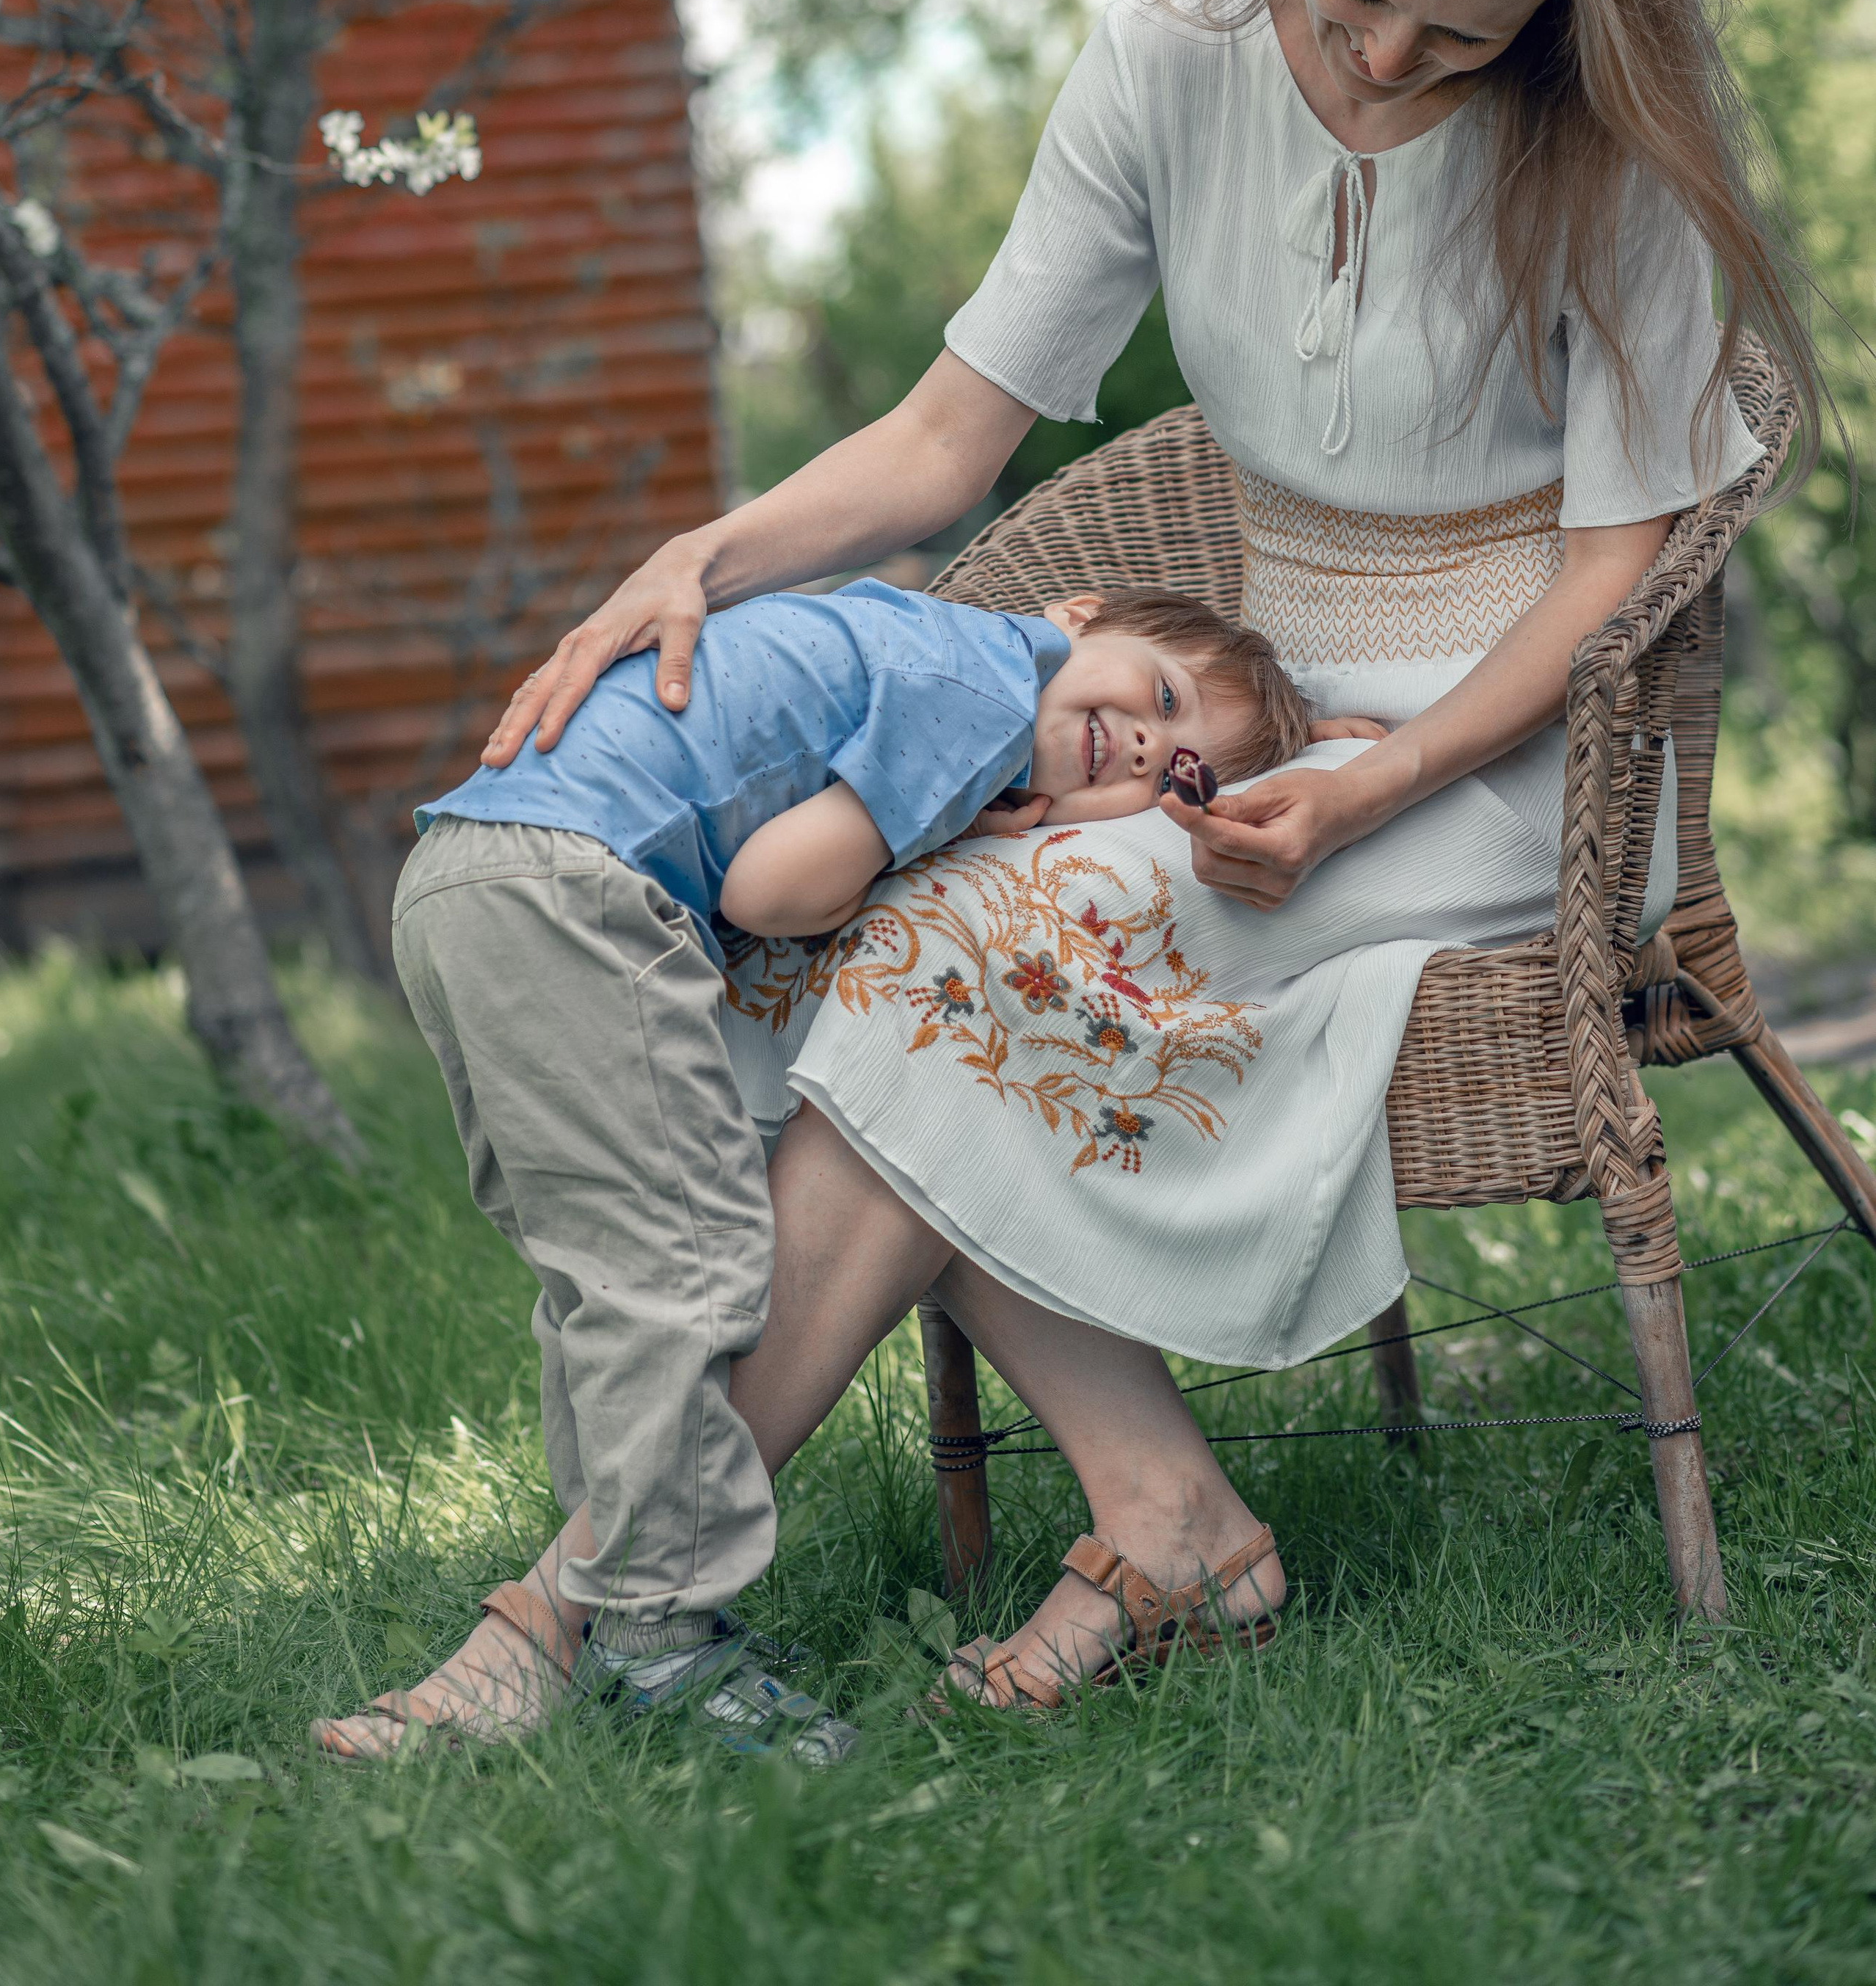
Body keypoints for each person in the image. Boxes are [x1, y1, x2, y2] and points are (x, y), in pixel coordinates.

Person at [327, 0, 1821, 1737]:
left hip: (1513, 757)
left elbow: (1606, 576)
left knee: (949, 935)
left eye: (1459, 35)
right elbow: (953, 437)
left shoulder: (1607, 158)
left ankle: (564, 1627)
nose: (1384, 62)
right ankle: (1160, 1511)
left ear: (1560, 15)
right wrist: (696, 560)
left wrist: (1372, 781)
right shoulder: (1170, 56)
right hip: (1266, 703)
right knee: (885, 933)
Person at [313, 579, 1352, 1758]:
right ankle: (655, 1638)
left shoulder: (911, 643)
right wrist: (952, 826)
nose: (1146, 741)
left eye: (1167, 769)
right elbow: (774, 889)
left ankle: (581, 1606)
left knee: (602, 1282)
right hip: (576, 897)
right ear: (1077, 611)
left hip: (461, 875)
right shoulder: (976, 694)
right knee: (685, 1276)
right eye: (1159, 696)